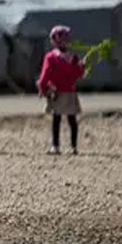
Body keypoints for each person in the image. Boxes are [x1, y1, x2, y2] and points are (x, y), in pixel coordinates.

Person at [37, 25, 85, 156]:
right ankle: (73, 147)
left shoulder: (51, 57)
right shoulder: (74, 58)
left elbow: (45, 75)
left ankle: (56, 146)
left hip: (57, 92)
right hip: (70, 92)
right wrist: (82, 67)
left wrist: (42, 88)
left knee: (56, 119)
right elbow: (79, 74)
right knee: (72, 119)